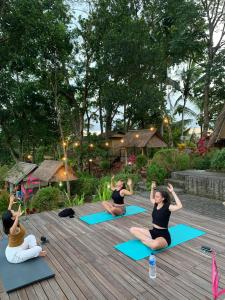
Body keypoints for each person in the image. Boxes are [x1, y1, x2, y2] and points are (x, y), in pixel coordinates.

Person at [130, 181, 182, 250]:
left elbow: (179, 206)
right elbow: (151, 198)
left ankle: (146, 241)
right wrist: (152, 189)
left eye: (157, 197)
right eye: (155, 196)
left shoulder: (168, 207)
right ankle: (148, 241)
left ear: (163, 198)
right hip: (154, 232)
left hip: (163, 235)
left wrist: (172, 191)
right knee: (132, 229)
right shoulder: (155, 203)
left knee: (154, 245)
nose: (155, 198)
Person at [2, 194, 46, 263]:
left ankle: (33, 252)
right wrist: (18, 215)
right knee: (39, 248)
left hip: (20, 245)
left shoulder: (10, 220)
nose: (14, 210)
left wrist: (10, 202)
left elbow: (9, 212)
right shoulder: (12, 230)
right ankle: (35, 252)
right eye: (13, 212)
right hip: (14, 255)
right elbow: (14, 220)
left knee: (31, 237)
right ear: (12, 218)